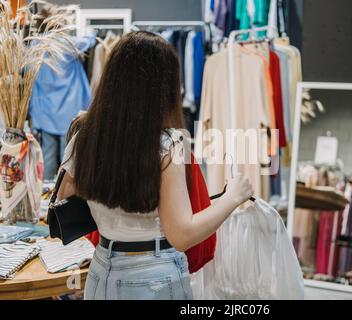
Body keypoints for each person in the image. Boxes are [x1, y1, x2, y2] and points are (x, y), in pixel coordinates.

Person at [57, 31, 254, 300]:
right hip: (153, 276)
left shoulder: (85, 135)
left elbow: (64, 197)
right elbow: (182, 234)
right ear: (165, 87)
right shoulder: (168, 145)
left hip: (102, 270)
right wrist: (232, 197)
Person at [29, 5, 97, 180]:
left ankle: (46, 200)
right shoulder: (66, 43)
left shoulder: (36, 46)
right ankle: (63, 200)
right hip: (69, 111)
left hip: (46, 113)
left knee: (48, 158)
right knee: (69, 160)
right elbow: (88, 41)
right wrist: (91, 32)